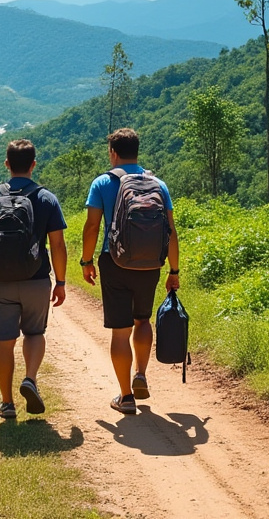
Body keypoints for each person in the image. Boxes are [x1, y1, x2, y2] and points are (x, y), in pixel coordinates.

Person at [79, 128, 179, 415]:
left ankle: (125, 397)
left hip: (116, 261)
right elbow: (171, 231)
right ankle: (141, 373)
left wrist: (86, 261)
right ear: (137, 150)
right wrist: (174, 270)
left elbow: (92, 227)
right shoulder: (158, 184)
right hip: (150, 263)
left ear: (113, 152)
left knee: (120, 332)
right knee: (143, 319)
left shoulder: (102, 183)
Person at [0, 139, 68, 419]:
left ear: (7, 164)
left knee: (5, 341)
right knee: (35, 333)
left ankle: (7, 402)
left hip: (1, 281)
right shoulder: (46, 199)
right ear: (33, 164)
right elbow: (58, 245)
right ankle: (30, 378)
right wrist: (60, 282)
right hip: (37, 278)